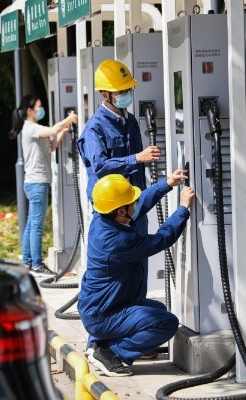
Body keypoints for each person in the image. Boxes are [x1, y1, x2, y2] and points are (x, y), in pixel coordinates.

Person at [77, 169, 194, 377]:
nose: (135, 204)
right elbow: (162, 239)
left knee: (157, 308)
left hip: (102, 306)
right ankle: (112, 353)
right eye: (131, 202)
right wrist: (183, 209)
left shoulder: (104, 218)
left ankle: (99, 342)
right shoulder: (117, 241)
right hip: (103, 314)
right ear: (121, 211)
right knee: (167, 323)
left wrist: (166, 184)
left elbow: (141, 204)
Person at [77, 59, 162, 297]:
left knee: (139, 265)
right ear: (105, 94)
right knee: (115, 272)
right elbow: (101, 166)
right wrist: (137, 158)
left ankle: (136, 316)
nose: (126, 94)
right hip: (111, 212)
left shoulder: (131, 120)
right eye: (120, 91)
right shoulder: (95, 128)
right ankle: (109, 324)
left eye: (128, 89)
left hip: (135, 204)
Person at [9, 94, 78, 276]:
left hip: (36, 182)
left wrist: (64, 131)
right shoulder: (30, 127)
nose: (41, 109)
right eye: (39, 107)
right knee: (36, 225)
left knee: (32, 224)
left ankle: (27, 262)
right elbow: (53, 130)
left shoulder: (34, 129)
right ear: (30, 111)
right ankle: (37, 264)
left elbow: (51, 145)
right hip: (37, 182)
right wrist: (70, 118)